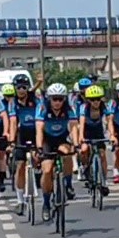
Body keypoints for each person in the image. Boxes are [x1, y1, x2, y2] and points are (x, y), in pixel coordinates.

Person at [35, 83, 78, 222]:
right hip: (47, 140)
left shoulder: (69, 108)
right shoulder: (42, 108)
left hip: (61, 138)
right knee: (47, 170)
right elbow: (39, 130)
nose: (57, 102)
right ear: (49, 99)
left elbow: (73, 128)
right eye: (54, 99)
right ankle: (46, 203)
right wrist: (39, 148)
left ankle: (68, 184)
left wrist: (76, 144)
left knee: (67, 154)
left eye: (60, 99)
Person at [8, 78, 42, 217]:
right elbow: (13, 122)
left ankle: (38, 175)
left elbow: (42, 118)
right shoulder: (13, 103)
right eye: (18, 87)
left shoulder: (36, 99)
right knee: (20, 165)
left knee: (38, 157)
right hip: (21, 134)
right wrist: (11, 141)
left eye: (24, 87)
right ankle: (20, 200)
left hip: (35, 132)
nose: (21, 90)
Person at [77, 85, 112, 196]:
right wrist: (81, 137)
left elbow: (109, 122)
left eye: (98, 99)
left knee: (102, 155)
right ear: (88, 100)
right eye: (92, 100)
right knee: (84, 150)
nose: (96, 102)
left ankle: (104, 181)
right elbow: (81, 123)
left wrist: (112, 135)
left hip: (98, 132)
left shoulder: (104, 107)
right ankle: (85, 167)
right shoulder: (84, 108)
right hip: (87, 132)